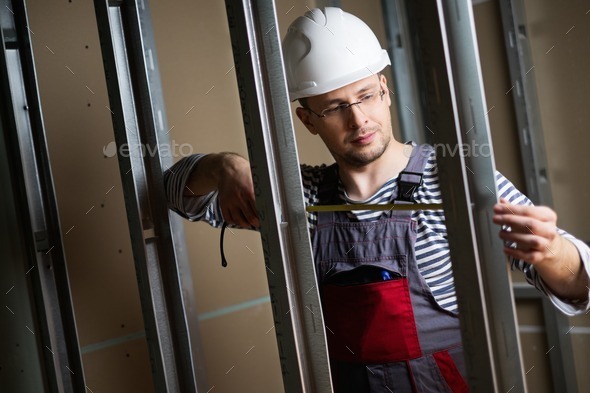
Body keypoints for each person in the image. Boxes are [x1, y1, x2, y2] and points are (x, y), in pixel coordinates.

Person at [165, 7, 590, 392]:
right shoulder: (300, 196)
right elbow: (173, 194)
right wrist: (225, 165)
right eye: (334, 107)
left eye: (366, 96)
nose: (358, 119)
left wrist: (552, 250)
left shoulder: (455, 181)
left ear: (384, 90)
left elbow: (581, 283)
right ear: (307, 119)